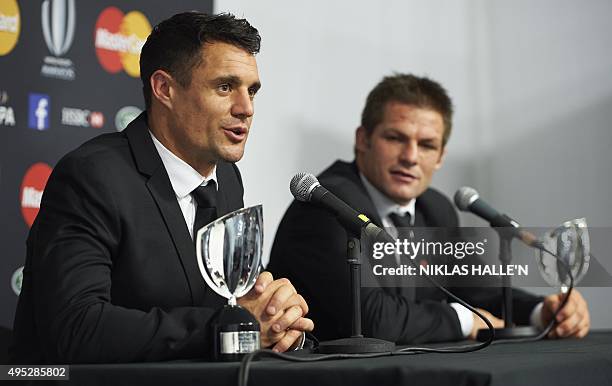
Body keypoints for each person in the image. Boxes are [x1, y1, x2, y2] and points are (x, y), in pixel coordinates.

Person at [11, 12, 313, 364]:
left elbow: (238, 303)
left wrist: (276, 320)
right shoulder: (92, 177)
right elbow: (76, 327)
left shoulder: (227, 179)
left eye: (252, 91)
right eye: (225, 87)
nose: (246, 108)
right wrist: (229, 329)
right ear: (165, 89)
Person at [268, 73, 590, 343]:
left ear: (440, 157)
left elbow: (476, 292)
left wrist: (543, 310)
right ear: (362, 140)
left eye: (426, 145)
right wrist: (462, 321)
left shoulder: (435, 208)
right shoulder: (328, 204)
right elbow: (372, 319)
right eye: (396, 138)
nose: (411, 157)